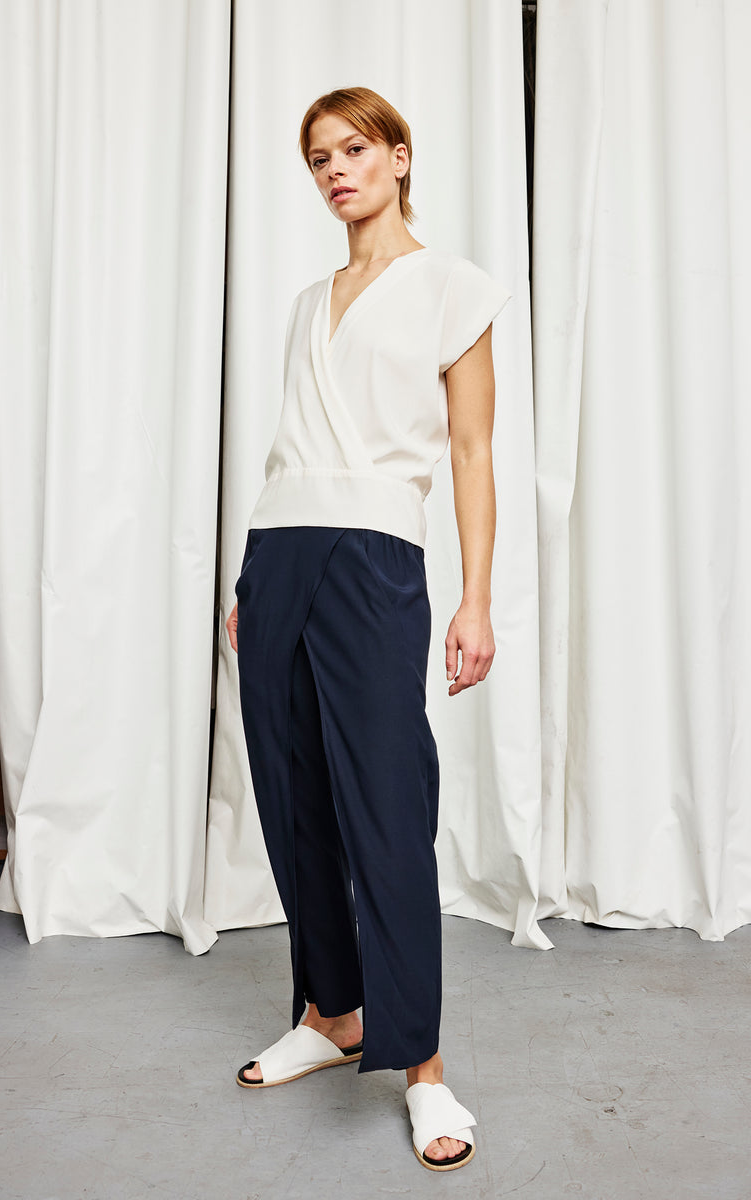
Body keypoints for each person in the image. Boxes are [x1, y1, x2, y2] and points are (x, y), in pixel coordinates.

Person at [225, 85, 510, 1172]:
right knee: (292, 794)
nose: (335, 169)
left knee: (386, 805)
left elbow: (474, 454)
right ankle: (330, 1010)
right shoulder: (308, 301)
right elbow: (288, 442)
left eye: (353, 148)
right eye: (317, 157)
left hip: (377, 552)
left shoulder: (452, 287)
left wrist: (476, 597)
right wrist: (252, 577)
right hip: (281, 546)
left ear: (398, 156)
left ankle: (424, 1069)